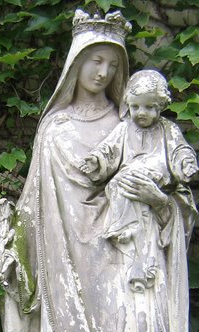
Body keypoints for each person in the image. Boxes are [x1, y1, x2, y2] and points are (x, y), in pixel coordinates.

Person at [0, 9, 197, 332]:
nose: (103, 72)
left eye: (112, 63)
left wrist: (157, 200)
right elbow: (36, 208)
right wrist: (15, 250)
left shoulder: (139, 125)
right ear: (75, 63)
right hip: (66, 277)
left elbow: (178, 203)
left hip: (128, 271)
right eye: (94, 60)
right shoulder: (54, 129)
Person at [78, 69, 198, 294]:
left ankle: (143, 261)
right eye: (135, 107)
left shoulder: (168, 130)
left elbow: (180, 151)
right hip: (128, 183)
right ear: (128, 104)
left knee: (146, 232)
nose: (141, 113)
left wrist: (185, 165)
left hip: (156, 180)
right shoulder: (124, 129)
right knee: (117, 186)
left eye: (149, 107)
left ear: (161, 106)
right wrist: (96, 161)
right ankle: (122, 229)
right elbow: (108, 150)